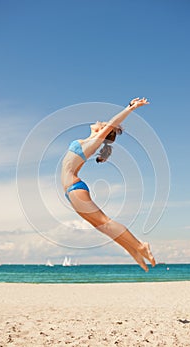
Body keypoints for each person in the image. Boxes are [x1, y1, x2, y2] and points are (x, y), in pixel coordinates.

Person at [61, 97, 156, 271]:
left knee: (105, 222)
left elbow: (113, 122)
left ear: (104, 130)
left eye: (102, 124)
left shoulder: (94, 140)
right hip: (70, 192)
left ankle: (141, 245)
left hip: (75, 188)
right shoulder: (87, 140)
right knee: (101, 227)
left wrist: (131, 107)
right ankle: (133, 250)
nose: (98, 122)